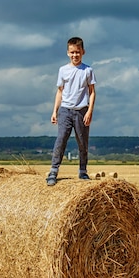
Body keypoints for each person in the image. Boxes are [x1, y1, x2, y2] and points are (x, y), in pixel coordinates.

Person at [46, 37, 96, 186]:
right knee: (61, 140)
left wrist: (89, 111)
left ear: (83, 52)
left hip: (82, 111)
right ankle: (53, 171)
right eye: (72, 52)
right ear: (68, 53)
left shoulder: (88, 70)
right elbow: (59, 91)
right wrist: (54, 111)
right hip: (65, 111)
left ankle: (82, 171)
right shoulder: (63, 70)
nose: (75, 55)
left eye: (78, 52)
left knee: (82, 142)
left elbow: (92, 92)